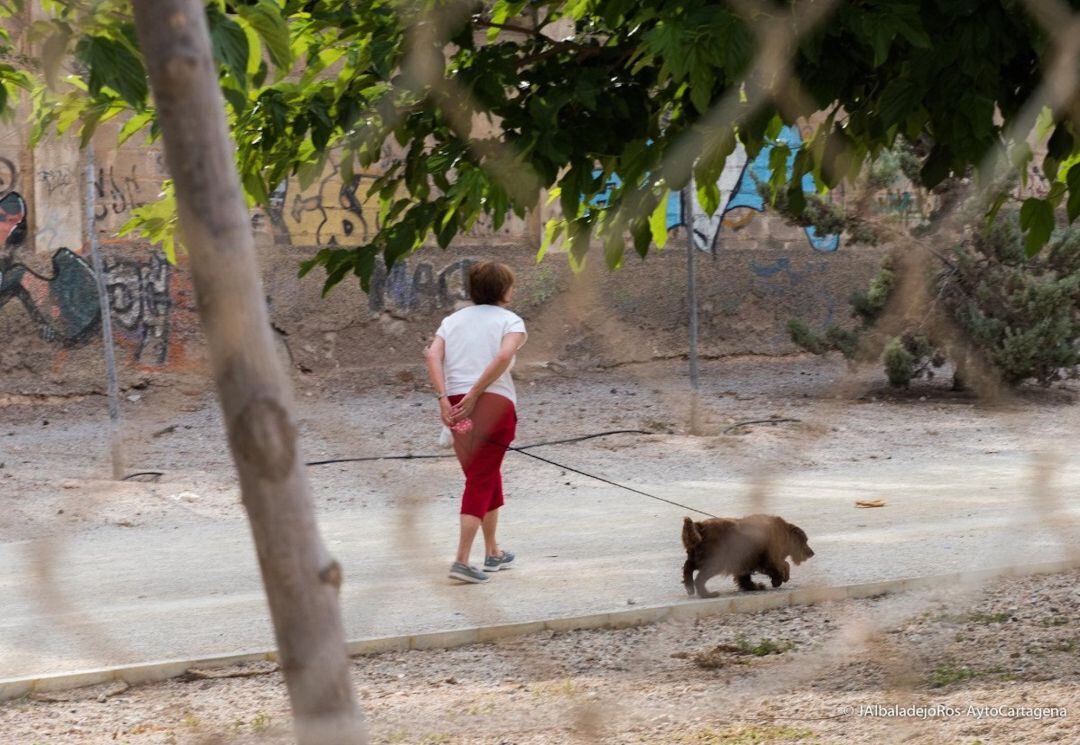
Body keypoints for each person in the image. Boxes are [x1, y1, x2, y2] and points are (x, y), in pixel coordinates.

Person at [425, 261, 527, 584]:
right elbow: (502, 358)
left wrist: (444, 398)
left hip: (456, 409)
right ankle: (462, 560)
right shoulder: (511, 320)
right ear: (504, 290)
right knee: (481, 477)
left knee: (483, 472)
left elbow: (432, 356)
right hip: (494, 406)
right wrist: (477, 391)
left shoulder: (451, 321)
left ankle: (493, 551)